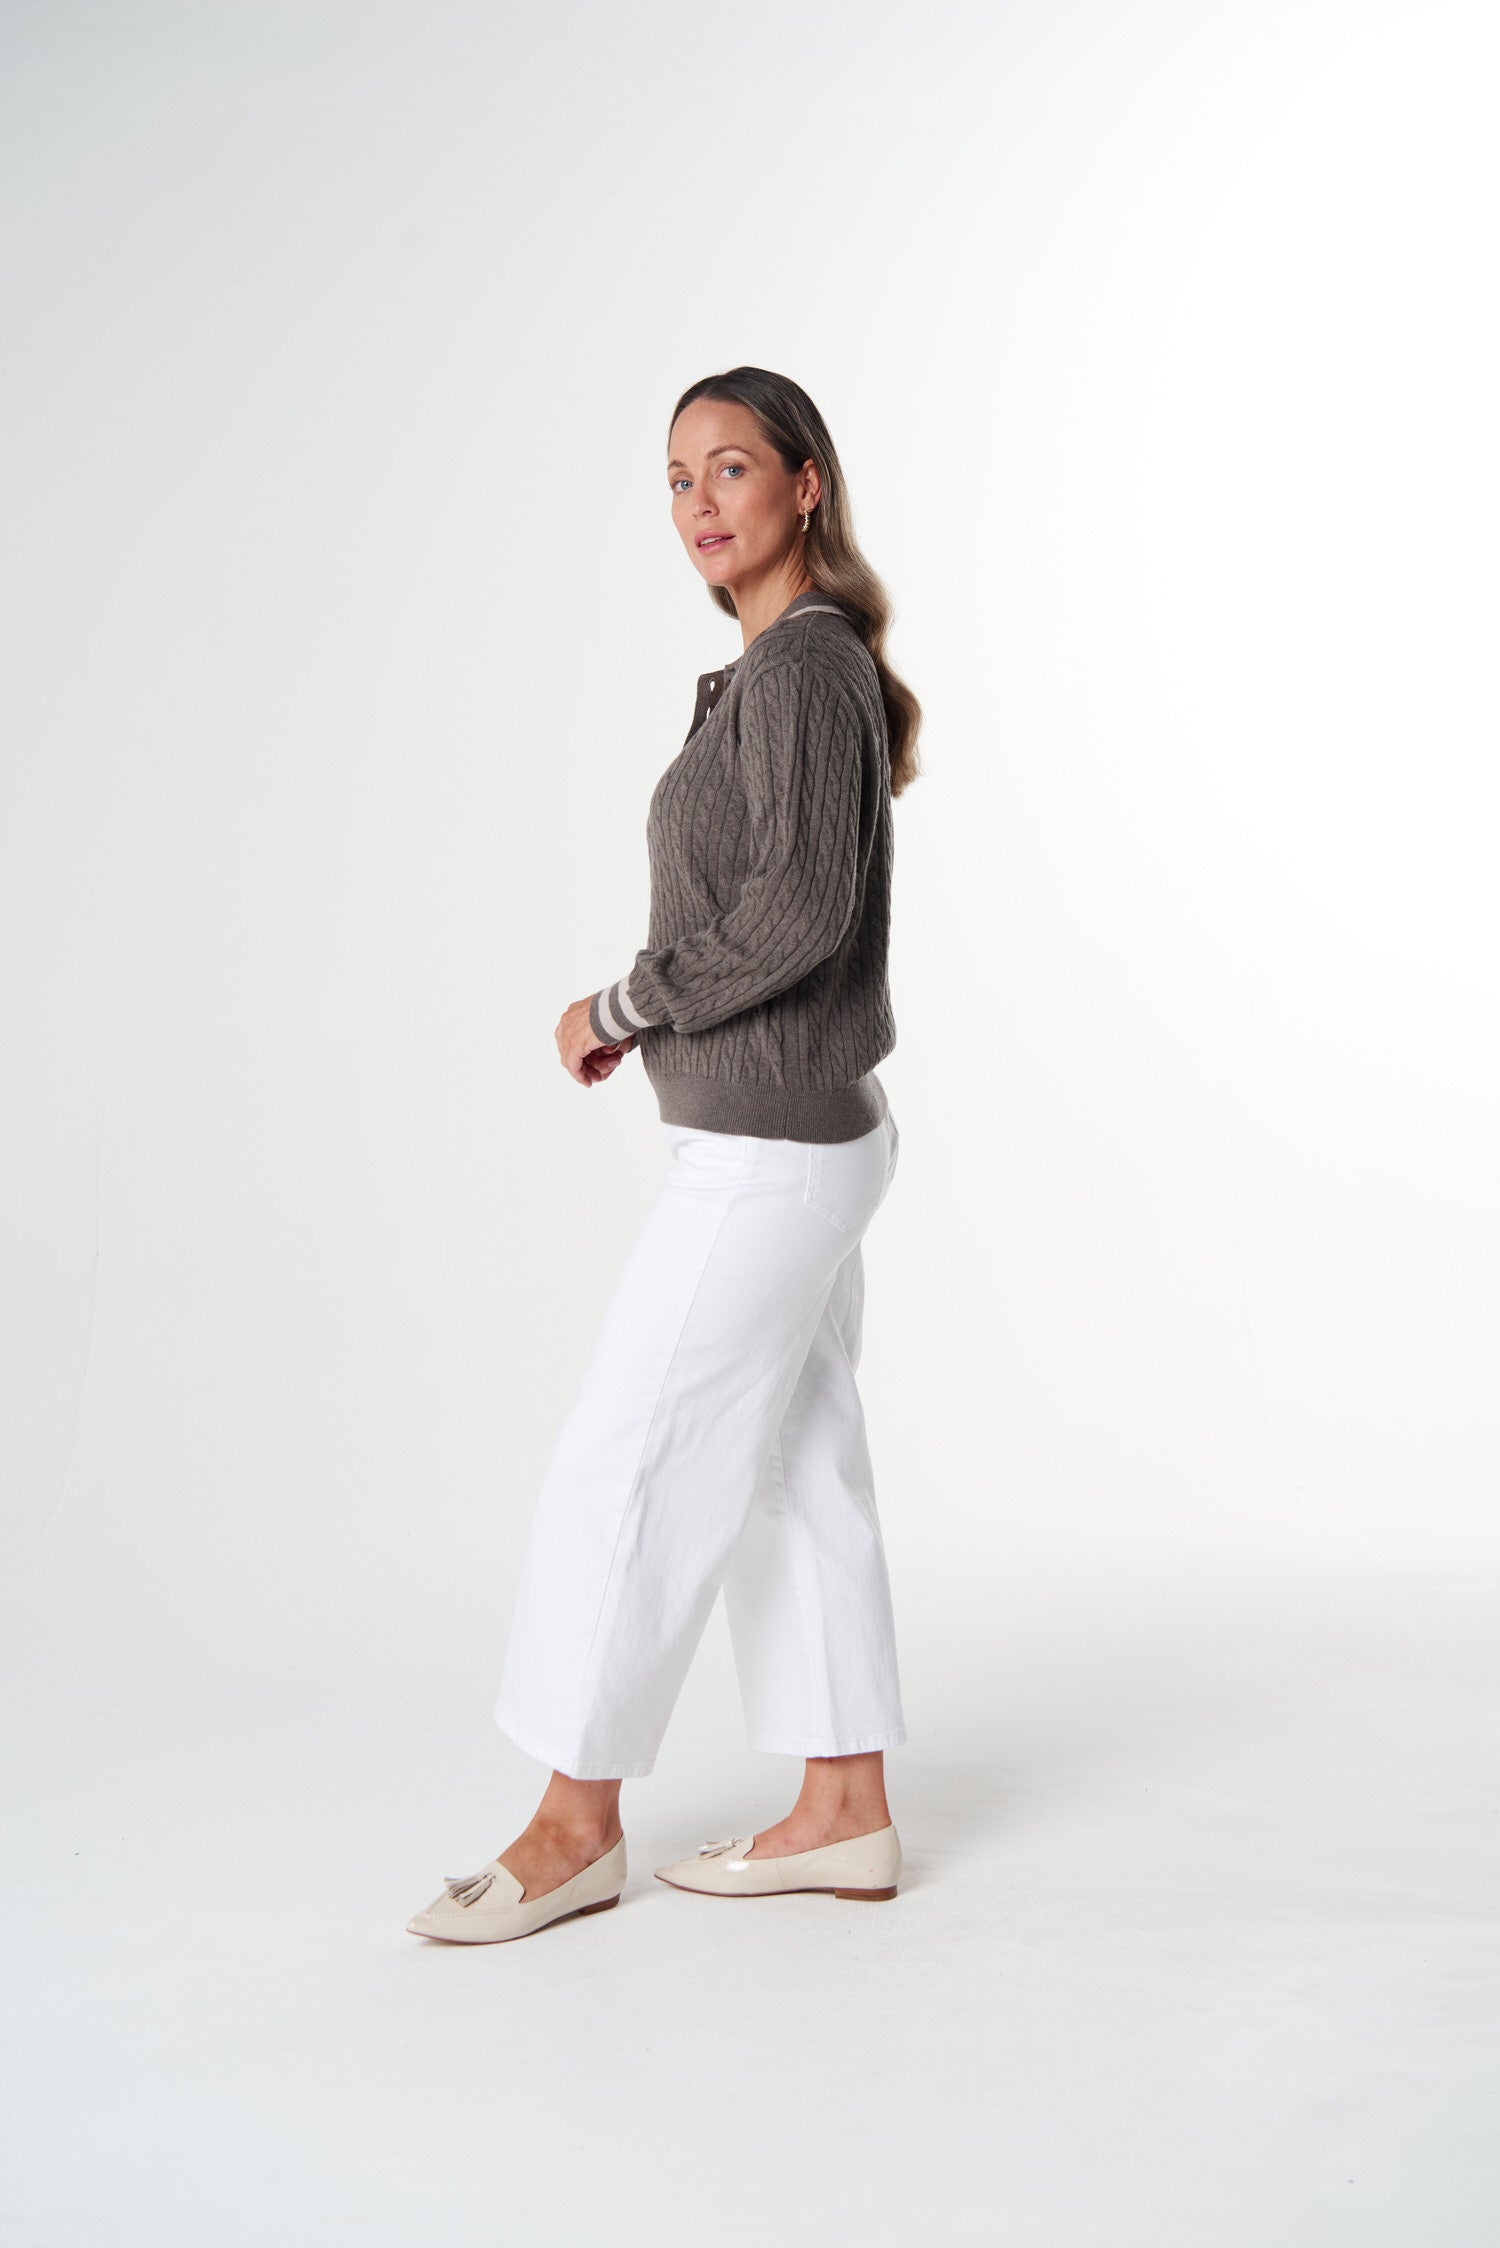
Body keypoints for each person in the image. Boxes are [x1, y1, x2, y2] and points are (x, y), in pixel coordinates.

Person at [407, 365, 924, 1943]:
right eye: (677, 479)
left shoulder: (806, 667)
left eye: (732, 468)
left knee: (627, 1455)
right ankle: (844, 1808)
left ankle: (573, 1829)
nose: (700, 503)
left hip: (767, 1153)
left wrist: (623, 1005)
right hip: (797, 1140)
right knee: (790, 1463)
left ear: (806, 483)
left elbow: (797, 913)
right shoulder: (779, 669)